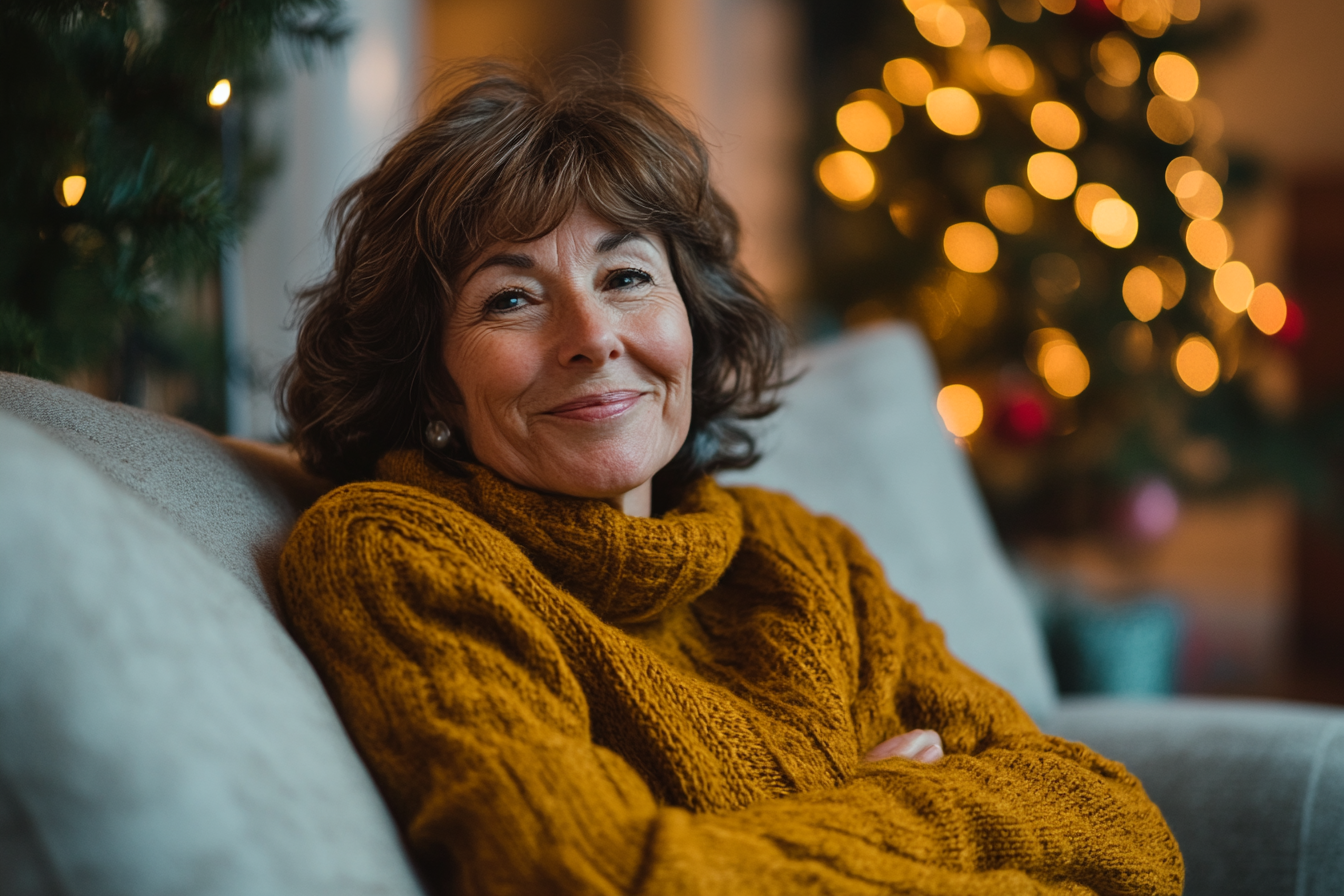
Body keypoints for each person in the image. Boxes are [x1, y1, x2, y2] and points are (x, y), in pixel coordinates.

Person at [277, 62, 1183, 896]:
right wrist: (900, 810)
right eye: (510, 298)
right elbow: (589, 876)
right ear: (431, 378)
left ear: (694, 326)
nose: (593, 336)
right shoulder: (396, 552)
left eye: (627, 275)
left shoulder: (799, 553)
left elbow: (1129, 834)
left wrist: (833, 827)